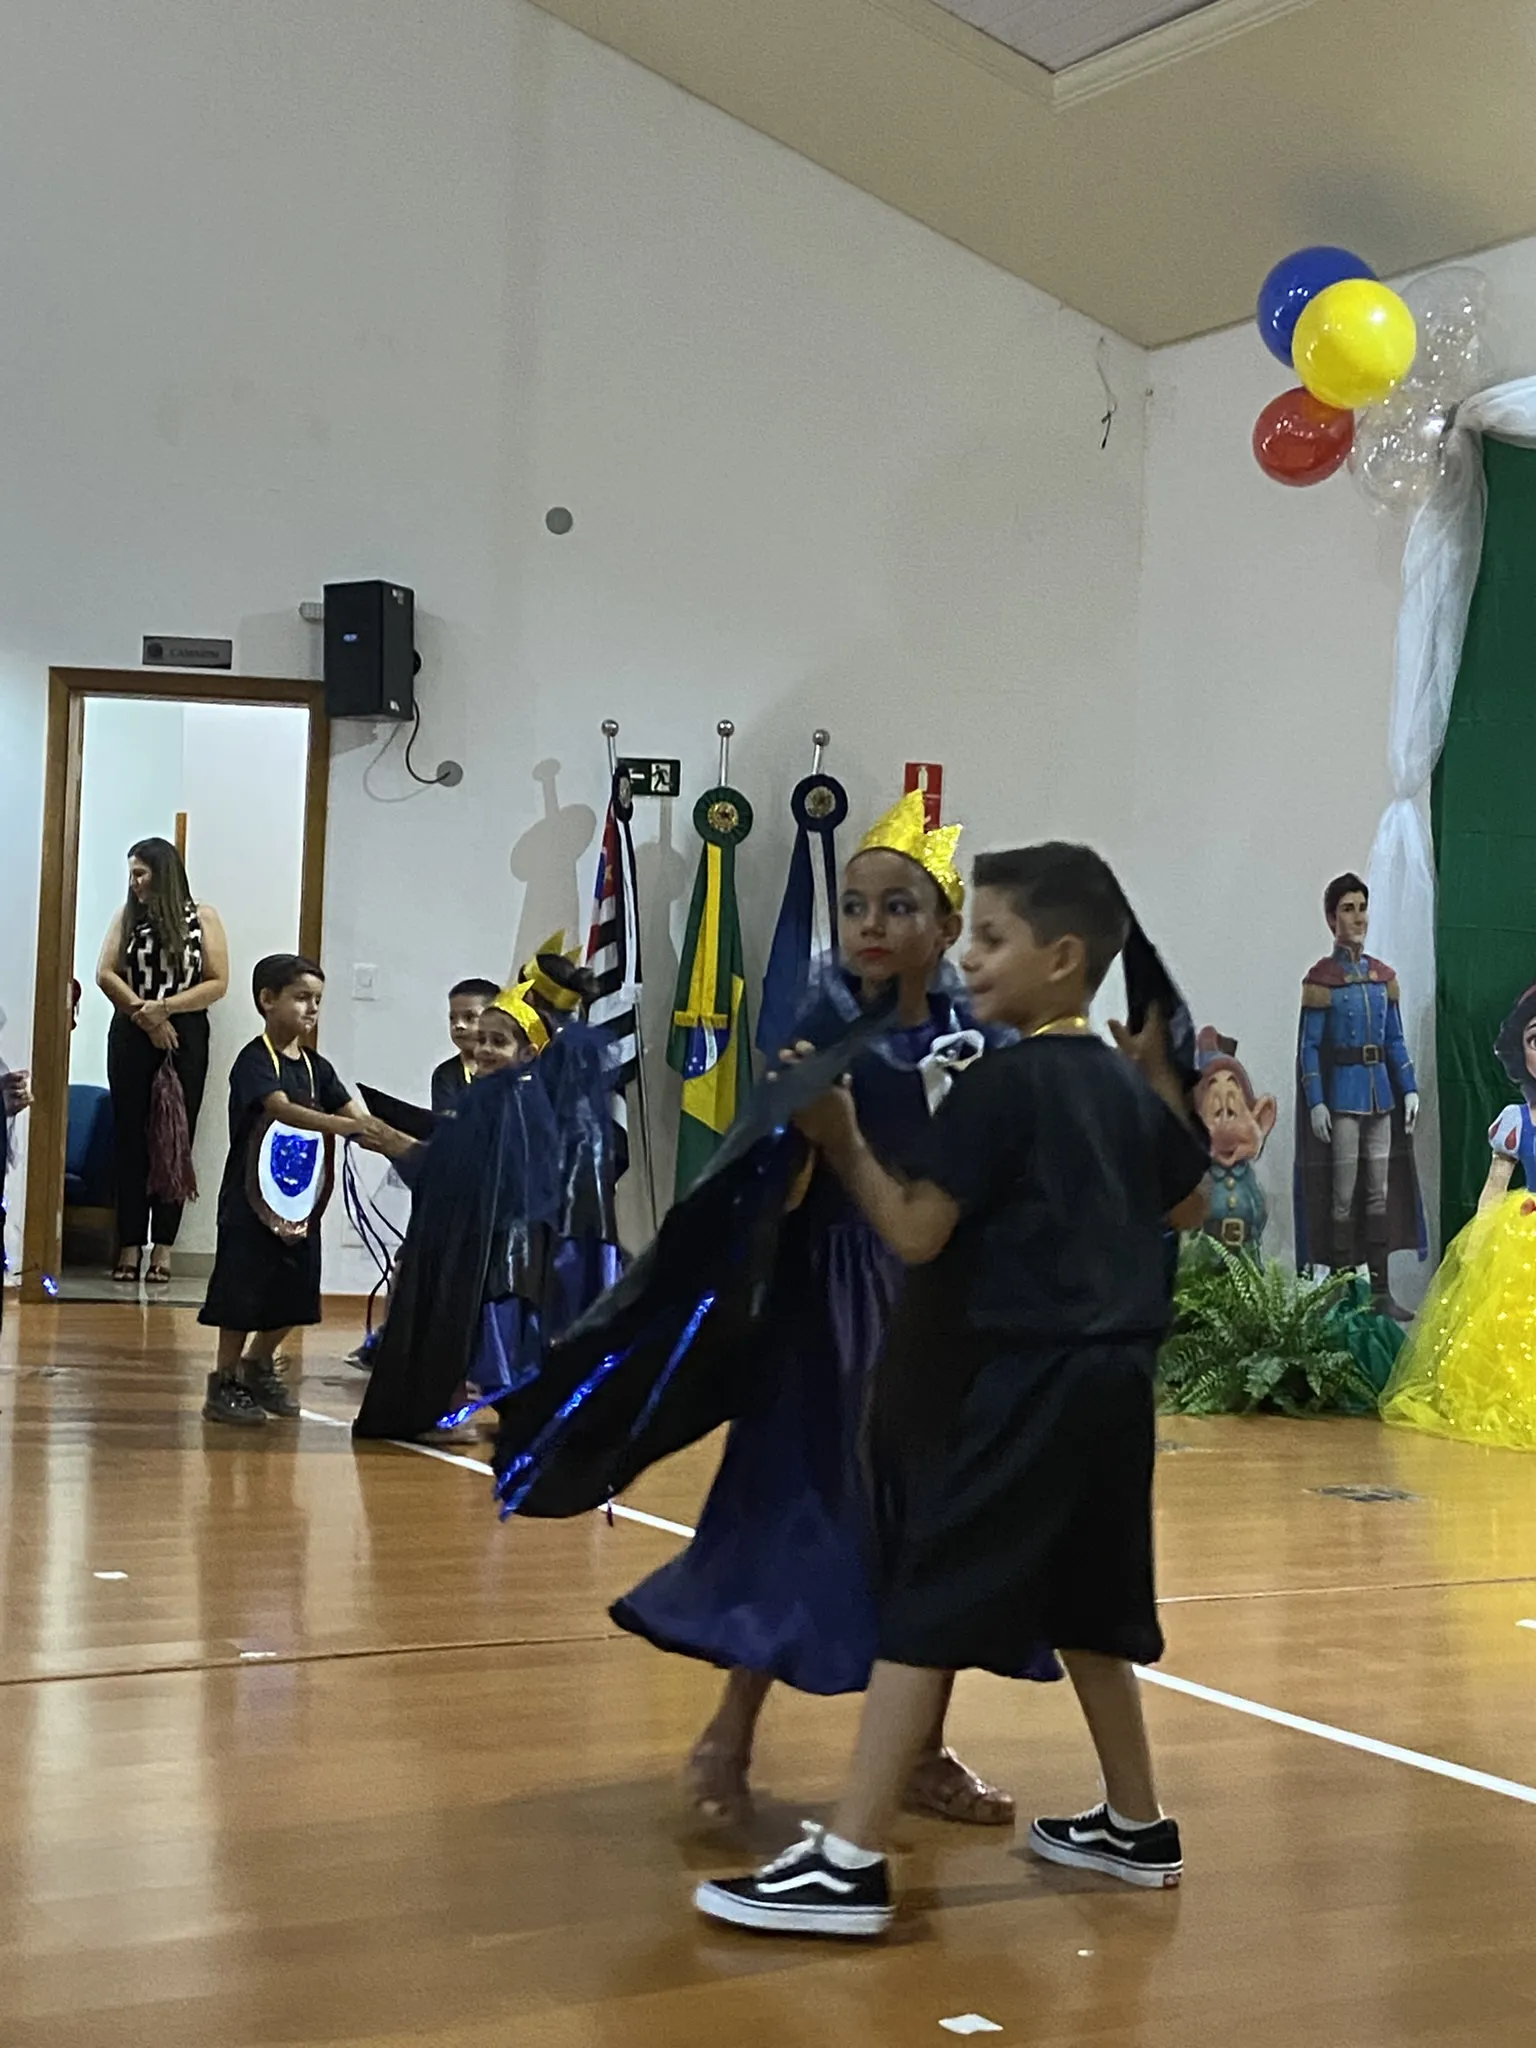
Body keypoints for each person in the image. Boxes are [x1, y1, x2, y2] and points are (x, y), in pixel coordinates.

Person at [694, 842, 1208, 1939]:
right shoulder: (1121, 1082)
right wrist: (1159, 1076)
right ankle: (1137, 1824)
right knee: (1092, 1605)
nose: (970, 957)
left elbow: (917, 1232)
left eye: (991, 937)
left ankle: (848, 1860)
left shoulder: (1000, 1084)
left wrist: (843, 1141)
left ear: (1062, 958)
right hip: (1118, 1385)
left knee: (926, 1603)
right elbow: (1189, 1206)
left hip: (1018, 1379)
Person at [611, 792, 1045, 1830]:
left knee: (937, 1524)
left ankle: (924, 1749)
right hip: (834, 1304)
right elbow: (767, 1181)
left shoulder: (981, 1039)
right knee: (800, 1508)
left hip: (946, 1304)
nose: (870, 924)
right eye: (855, 905)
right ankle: (729, 1731)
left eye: (899, 906)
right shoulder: (818, 1032)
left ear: (945, 926)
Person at [352, 977, 619, 1443]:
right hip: (494, 1238)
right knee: (489, 1337)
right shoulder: (495, 1095)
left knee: (494, 1334)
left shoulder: (513, 1101)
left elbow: (471, 1172)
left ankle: (473, 1412)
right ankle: (493, 1412)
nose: (485, 1050)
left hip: (505, 1246)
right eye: (482, 1040)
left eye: (499, 1042)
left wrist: (397, 1144)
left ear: (528, 1052)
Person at [199, 954, 405, 1427]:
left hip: (300, 1203)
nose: (312, 1008)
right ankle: (223, 1381)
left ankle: (257, 1363)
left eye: (317, 1000)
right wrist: (342, 1127)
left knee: (296, 1289)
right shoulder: (254, 1060)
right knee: (241, 1291)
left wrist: (398, 1142)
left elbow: (356, 1115)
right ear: (267, 1000)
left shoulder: (317, 1068)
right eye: (301, 998)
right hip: (250, 1201)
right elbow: (280, 1109)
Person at [1380, 981, 1536, 1449]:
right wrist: (1480, 1239)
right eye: (1535, 1039)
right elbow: (1495, 1184)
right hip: (1525, 1234)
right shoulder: (1516, 1121)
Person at [95, 838, 229, 1285]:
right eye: (131, 874)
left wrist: (166, 1009)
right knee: (130, 1137)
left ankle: (164, 1246)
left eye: (141, 873)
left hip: (185, 1034)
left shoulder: (203, 917)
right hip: (132, 1031)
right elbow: (105, 973)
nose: (133, 882)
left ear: (163, 873)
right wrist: (145, 1015)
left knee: (174, 1139)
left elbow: (217, 982)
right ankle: (130, 1243)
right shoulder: (127, 917)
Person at [1294, 872, 1424, 1319]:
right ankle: (1342, 1290)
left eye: (1362, 907)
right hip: (1344, 1098)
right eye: (1348, 909)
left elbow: (1395, 1040)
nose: (1358, 917)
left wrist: (1409, 1089)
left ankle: (1380, 1292)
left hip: (1380, 1097)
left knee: (1379, 1195)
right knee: (1343, 1196)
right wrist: (1316, 1101)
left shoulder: (1381, 978)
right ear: (1332, 919)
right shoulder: (1323, 980)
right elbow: (1310, 1048)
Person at [431, 979, 502, 1113]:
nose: (458, 1025)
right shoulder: (445, 1074)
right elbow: (446, 1120)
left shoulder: (509, 1067)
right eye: (452, 1018)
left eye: (469, 1017)